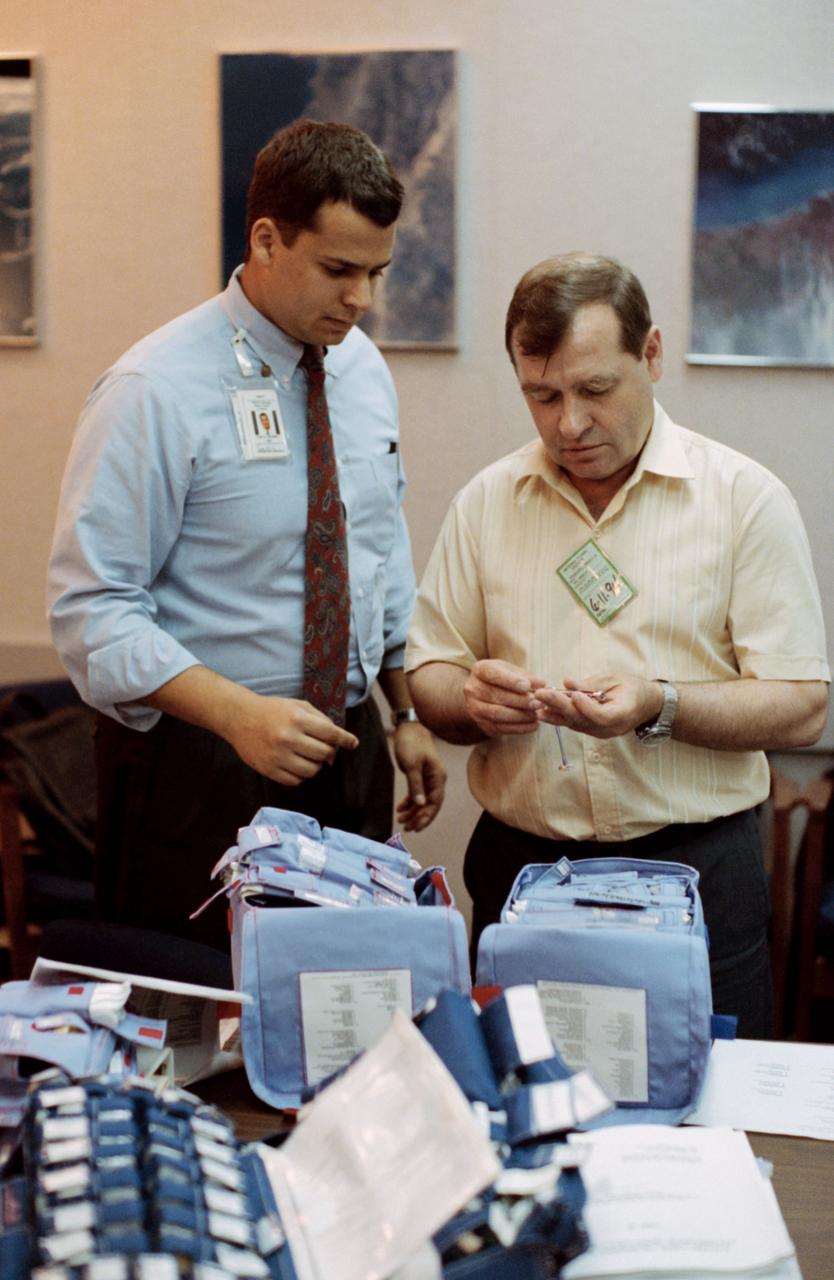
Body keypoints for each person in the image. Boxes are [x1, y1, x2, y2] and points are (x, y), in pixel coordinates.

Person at [406, 251, 830, 1037]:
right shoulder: (487, 503)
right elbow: (427, 670)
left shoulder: (744, 501)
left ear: (653, 354)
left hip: (697, 869)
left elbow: (803, 706)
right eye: (543, 395)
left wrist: (657, 706)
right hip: (521, 872)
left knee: (708, 1123)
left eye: (597, 389)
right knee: (521, 1117)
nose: (570, 423)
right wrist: (465, 701)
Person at [48, 118, 446, 949]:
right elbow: (92, 615)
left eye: (377, 272)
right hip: (198, 769)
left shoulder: (362, 370)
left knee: (348, 1013)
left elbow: (375, 550)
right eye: (339, 270)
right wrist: (236, 714)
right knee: (194, 1035)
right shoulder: (153, 388)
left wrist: (404, 710)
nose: (361, 300)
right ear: (266, 239)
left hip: (349, 751)